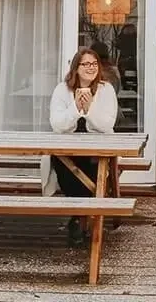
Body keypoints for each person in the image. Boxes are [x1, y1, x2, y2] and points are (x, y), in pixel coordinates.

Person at [41, 47, 118, 244]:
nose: (90, 68)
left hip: (97, 148)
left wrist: (90, 107)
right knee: (66, 166)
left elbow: (107, 124)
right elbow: (57, 125)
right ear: (76, 68)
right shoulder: (62, 89)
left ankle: (80, 218)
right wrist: (76, 108)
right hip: (68, 148)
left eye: (94, 64)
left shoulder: (106, 89)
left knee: (93, 167)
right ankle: (79, 216)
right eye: (85, 64)